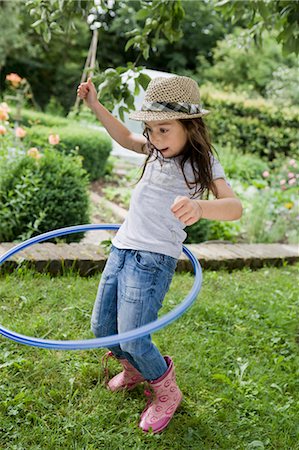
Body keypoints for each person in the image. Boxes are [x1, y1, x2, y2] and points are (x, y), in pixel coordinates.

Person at [77, 75, 242, 433]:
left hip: (152, 261)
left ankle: (166, 390)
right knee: (102, 328)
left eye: (164, 129)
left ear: (190, 126)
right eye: (150, 130)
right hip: (121, 248)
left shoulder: (202, 162)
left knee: (134, 336)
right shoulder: (153, 150)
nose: (154, 138)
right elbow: (124, 136)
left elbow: (234, 207)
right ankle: (133, 369)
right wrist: (95, 105)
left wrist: (201, 209)